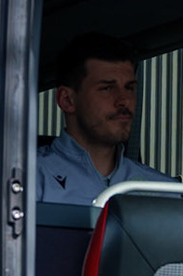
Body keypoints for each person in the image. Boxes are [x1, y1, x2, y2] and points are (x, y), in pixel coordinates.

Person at [37, 32, 175, 204]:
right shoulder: (26, 181)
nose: (124, 100)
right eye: (107, 88)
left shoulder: (164, 190)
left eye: (129, 88)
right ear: (67, 100)